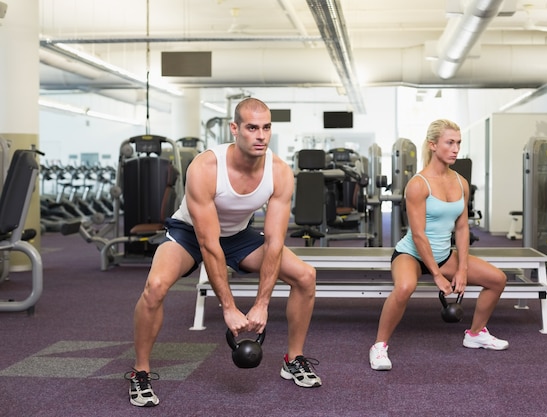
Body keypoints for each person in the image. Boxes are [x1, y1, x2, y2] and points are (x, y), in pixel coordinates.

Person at [125, 98, 322, 407]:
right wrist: (229, 307)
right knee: (155, 287)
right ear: (235, 129)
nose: (261, 136)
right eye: (252, 128)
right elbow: (208, 245)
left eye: (266, 128)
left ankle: (293, 358)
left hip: (239, 235)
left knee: (305, 276)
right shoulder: (205, 167)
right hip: (189, 234)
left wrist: (262, 305)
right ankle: (140, 371)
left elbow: (274, 242)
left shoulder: (280, 172)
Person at [369, 119, 508, 371]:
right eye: (450, 143)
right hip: (411, 253)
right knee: (404, 287)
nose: (456, 149)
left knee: (497, 279)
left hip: (444, 253)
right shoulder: (418, 184)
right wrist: (436, 275)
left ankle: (475, 334)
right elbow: (419, 234)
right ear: (433, 145)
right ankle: (379, 346)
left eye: (458, 143)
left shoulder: (461, 182)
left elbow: (463, 227)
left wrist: (462, 268)